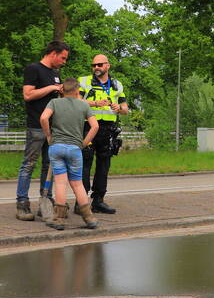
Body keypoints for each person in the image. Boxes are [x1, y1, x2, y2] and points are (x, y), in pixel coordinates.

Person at [15, 41, 69, 221]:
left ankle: (46, 201)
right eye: (63, 57)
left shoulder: (55, 73)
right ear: (53, 53)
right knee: (29, 164)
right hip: (36, 127)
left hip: (53, 128)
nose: (64, 62)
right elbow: (28, 95)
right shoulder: (33, 69)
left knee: (50, 165)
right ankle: (22, 204)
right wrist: (52, 88)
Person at [39, 78, 99, 230]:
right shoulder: (83, 105)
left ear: (62, 90)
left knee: (60, 183)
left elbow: (44, 118)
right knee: (77, 184)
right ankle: (89, 218)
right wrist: (83, 143)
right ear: (78, 91)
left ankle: (58, 219)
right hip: (75, 149)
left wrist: (48, 135)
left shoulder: (54, 102)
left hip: (56, 147)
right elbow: (95, 126)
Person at [79, 54, 129, 214]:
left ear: (108, 66)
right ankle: (81, 202)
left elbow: (126, 109)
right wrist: (94, 103)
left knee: (104, 164)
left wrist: (119, 109)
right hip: (88, 127)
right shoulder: (85, 81)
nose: (96, 68)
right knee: (85, 163)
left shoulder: (117, 85)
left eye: (99, 65)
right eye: (93, 65)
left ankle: (98, 200)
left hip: (108, 129)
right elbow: (75, 100)